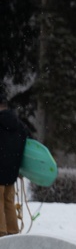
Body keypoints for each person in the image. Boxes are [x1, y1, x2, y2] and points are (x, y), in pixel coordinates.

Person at [0, 89, 29, 237]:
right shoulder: (20, 126)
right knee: (9, 202)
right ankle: (12, 232)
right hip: (11, 171)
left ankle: (1, 235)